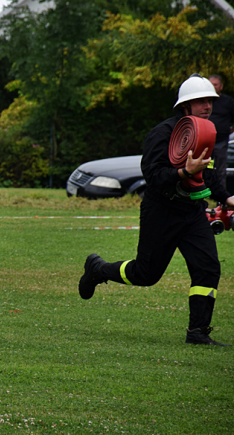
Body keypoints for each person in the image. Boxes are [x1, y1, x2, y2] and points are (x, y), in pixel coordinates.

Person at [79, 74, 234, 346]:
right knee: (145, 275)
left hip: (193, 213)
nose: (207, 106)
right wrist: (184, 170)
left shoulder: (208, 132)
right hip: (161, 212)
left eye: (210, 100)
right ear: (184, 107)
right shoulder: (162, 134)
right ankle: (99, 269)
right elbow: (153, 176)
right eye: (200, 101)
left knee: (207, 268)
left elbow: (208, 177)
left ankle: (197, 332)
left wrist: (226, 197)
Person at [209, 74, 234, 184]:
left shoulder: (228, 101)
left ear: (221, 86)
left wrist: (230, 130)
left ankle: (221, 197)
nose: (213, 87)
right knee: (205, 167)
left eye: (215, 84)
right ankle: (203, 192)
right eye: (211, 84)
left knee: (220, 169)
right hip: (205, 140)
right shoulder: (204, 100)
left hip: (221, 141)